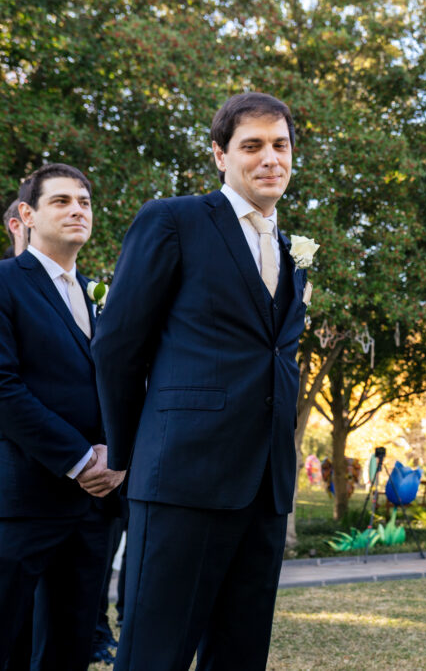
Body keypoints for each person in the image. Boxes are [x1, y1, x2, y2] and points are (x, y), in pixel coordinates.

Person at [92, 92, 309, 671]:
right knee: (153, 655)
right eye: (252, 146)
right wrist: (127, 451)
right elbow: (117, 344)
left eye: (280, 145)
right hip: (180, 480)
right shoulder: (174, 220)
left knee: (239, 656)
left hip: (265, 487)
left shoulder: (292, 250)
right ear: (220, 155)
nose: (270, 158)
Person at [0, 163, 124, 669]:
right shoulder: (6, 282)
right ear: (27, 215)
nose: (77, 210)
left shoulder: (102, 294)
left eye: (85, 202)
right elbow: (3, 388)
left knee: (70, 650)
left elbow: (122, 384)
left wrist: (118, 451)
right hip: (23, 503)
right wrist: (78, 458)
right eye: (61, 202)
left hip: (93, 510)